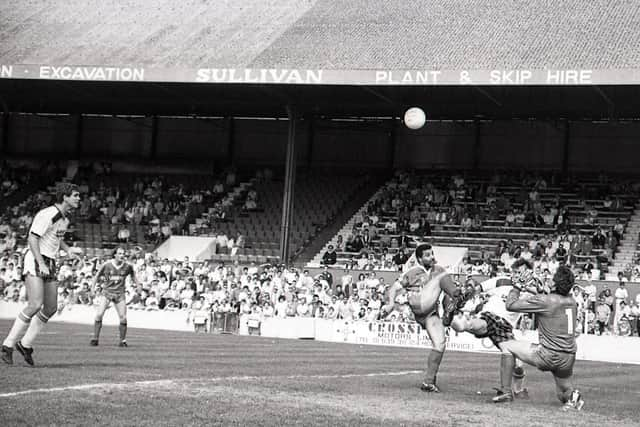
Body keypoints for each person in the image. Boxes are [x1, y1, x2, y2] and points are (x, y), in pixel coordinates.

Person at [1, 183, 82, 366]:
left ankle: (25, 344)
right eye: (76, 195)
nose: (79, 199)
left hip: (50, 261)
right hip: (37, 259)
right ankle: (8, 345)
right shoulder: (48, 214)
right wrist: (41, 263)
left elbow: (56, 239)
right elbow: (32, 238)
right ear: (65, 197)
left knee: (51, 307)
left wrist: (68, 250)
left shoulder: (64, 219)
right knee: (35, 304)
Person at [382, 243, 471, 393]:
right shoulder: (413, 272)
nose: (432, 257)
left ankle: (428, 382)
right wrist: (391, 304)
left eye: (432, 254)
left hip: (430, 312)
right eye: (428, 255)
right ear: (419, 258)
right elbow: (394, 288)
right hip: (418, 304)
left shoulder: (437, 270)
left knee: (440, 344)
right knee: (442, 275)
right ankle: (456, 297)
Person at [451, 261, 540, 403]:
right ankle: (459, 323)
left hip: (506, 326)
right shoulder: (501, 280)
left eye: (522, 273)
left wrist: (531, 288)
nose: (517, 275)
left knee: (518, 364)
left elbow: (545, 297)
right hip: (491, 315)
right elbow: (479, 288)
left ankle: (516, 390)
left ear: (529, 275)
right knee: (480, 323)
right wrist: (466, 295)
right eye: (516, 272)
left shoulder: (530, 292)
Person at [500, 265, 585, 411]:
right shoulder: (571, 301)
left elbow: (510, 305)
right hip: (568, 357)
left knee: (507, 345)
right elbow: (549, 298)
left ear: (555, 283)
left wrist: (517, 287)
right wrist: (535, 288)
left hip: (548, 355)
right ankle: (573, 397)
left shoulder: (545, 301)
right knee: (562, 393)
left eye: (552, 279)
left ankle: (506, 392)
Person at [90, 247, 139, 347]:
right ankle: (95, 339)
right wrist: (92, 289)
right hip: (107, 292)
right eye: (120, 254)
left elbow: (133, 276)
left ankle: (122, 341)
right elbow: (97, 276)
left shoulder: (127, 266)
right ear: (115, 255)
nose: (122, 255)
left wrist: (138, 285)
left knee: (123, 318)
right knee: (99, 314)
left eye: (123, 254)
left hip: (120, 294)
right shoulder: (107, 265)